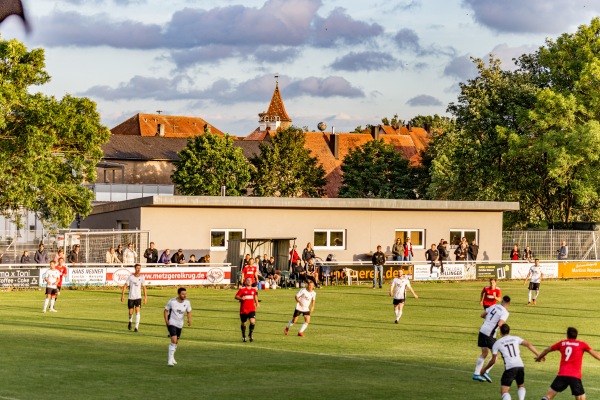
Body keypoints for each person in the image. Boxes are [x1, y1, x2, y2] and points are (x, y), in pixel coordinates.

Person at [536, 327, 600, 400]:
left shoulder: (562, 343)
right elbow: (596, 355)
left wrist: (539, 357)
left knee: (548, 396)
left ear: (567, 335)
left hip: (562, 375)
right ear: (576, 335)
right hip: (575, 376)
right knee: (581, 398)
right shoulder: (582, 344)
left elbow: (547, 350)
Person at [479, 324, 541, 400]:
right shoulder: (515, 338)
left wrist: (484, 369)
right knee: (521, 386)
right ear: (509, 331)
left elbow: (493, 360)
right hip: (520, 366)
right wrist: (538, 354)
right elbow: (528, 344)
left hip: (510, 367)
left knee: (504, 391)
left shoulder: (497, 343)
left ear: (500, 332)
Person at [473, 295, 511, 383]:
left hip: (482, 330)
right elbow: (500, 324)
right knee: (495, 355)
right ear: (508, 303)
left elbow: (482, 315)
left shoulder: (493, 306)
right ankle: (486, 371)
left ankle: (476, 374)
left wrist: (490, 320)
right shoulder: (505, 312)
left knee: (484, 353)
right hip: (489, 333)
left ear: (501, 301)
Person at [164, 287, 192, 366]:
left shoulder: (187, 302)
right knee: (174, 339)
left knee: (176, 342)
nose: (184, 295)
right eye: (183, 294)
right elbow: (166, 311)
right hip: (172, 322)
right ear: (179, 294)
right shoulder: (172, 301)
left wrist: (189, 320)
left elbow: (189, 311)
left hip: (180, 324)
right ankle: (169, 361)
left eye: (185, 294)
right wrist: (166, 321)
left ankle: (172, 357)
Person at [121, 263, 147, 332]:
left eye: (139, 268)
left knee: (137, 311)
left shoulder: (142, 277)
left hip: (138, 297)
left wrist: (145, 297)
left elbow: (144, 287)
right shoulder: (131, 277)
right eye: (137, 268)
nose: (138, 269)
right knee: (130, 312)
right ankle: (130, 321)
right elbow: (125, 286)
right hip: (131, 297)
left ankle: (136, 327)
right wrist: (123, 295)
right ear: (135, 268)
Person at [235, 277, 259, 342]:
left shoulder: (254, 290)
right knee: (244, 323)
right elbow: (236, 296)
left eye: (250, 280)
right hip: (243, 310)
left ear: (252, 282)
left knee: (252, 322)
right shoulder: (242, 290)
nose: (249, 281)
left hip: (251, 309)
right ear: (245, 282)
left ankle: (250, 334)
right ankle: (243, 336)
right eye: (247, 280)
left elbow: (255, 296)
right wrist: (241, 298)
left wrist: (257, 303)